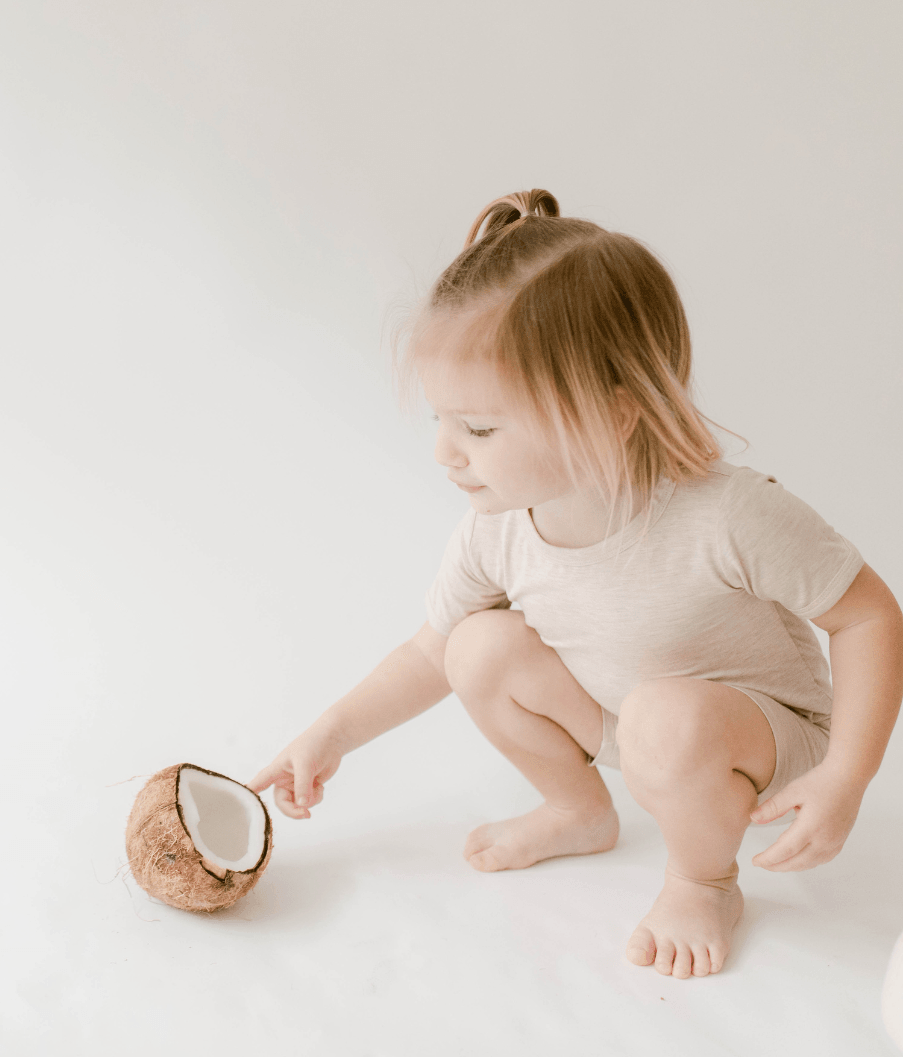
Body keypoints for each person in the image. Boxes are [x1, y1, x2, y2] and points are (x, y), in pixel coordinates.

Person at [247, 189, 903, 980]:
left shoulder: (727, 514)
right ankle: (578, 809)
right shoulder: (498, 529)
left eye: (479, 428)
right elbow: (428, 653)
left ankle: (704, 880)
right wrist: (329, 735)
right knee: (475, 646)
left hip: (759, 744)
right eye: (439, 421)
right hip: (632, 724)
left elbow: (869, 617)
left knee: (664, 716)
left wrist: (846, 775)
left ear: (613, 414)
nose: (446, 453)